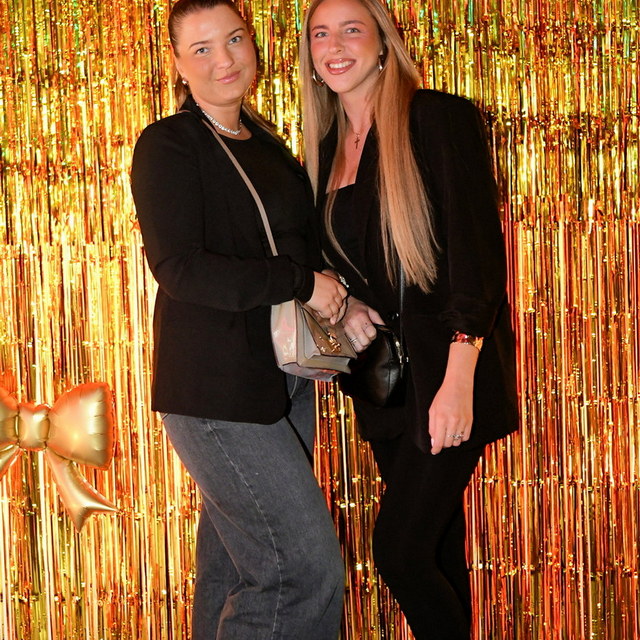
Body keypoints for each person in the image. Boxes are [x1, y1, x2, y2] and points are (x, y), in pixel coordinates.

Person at [299, 0, 519, 638]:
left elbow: (477, 258)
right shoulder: (323, 150)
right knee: (436, 552)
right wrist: (345, 304)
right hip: (382, 385)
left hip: (447, 373)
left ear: (383, 42)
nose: (335, 46)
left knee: (398, 551)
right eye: (321, 34)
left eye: (351, 30)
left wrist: (458, 379)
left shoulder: (435, 118)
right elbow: (334, 264)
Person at [130, 1, 347, 637]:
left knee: (231, 572)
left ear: (253, 43)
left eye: (234, 39)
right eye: (201, 48)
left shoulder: (269, 147)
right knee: (299, 572)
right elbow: (181, 268)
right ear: (177, 62)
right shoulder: (170, 145)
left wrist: (341, 298)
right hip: (215, 389)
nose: (223, 59)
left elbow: (302, 248)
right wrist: (299, 282)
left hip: (286, 377)